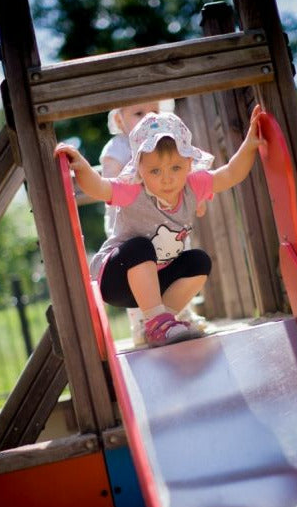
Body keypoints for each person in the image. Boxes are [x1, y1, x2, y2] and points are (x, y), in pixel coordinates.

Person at [54, 104, 266, 347]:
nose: (167, 178)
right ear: (140, 169)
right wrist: (81, 165)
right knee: (141, 247)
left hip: (156, 279)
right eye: (155, 170)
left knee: (199, 261)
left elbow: (229, 174)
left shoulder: (192, 186)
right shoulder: (133, 190)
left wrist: (249, 145)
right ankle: (158, 322)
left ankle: (157, 324)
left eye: (175, 167)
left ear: (188, 164)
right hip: (117, 276)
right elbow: (100, 188)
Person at [100, 100, 207, 345]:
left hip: (167, 221)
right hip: (133, 226)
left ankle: (179, 314)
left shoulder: (167, 146)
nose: (149, 117)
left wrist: (197, 198)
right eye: (138, 113)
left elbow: (188, 176)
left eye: (155, 112)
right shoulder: (119, 146)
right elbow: (109, 180)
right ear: (119, 121)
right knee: (138, 269)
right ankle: (141, 323)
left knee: (180, 256)